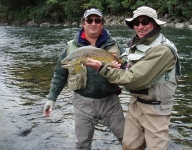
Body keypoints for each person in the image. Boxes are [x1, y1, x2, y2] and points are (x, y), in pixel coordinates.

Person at [85, 6, 181, 150]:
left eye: (145, 22)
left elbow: (132, 79)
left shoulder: (163, 50)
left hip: (156, 109)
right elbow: (130, 66)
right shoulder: (138, 43)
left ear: (154, 24)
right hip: (136, 103)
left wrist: (102, 68)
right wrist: (118, 63)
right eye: (136, 23)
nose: (140, 27)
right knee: (129, 146)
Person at [43, 8, 125, 150]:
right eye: (89, 20)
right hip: (82, 103)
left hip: (110, 102)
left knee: (128, 139)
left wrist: (123, 69)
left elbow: (129, 70)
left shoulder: (115, 46)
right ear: (83, 23)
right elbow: (59, 75)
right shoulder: (70, 48)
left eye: (97, 20)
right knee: (82, 145)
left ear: (102, 24)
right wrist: (52, 98)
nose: (93, 23)